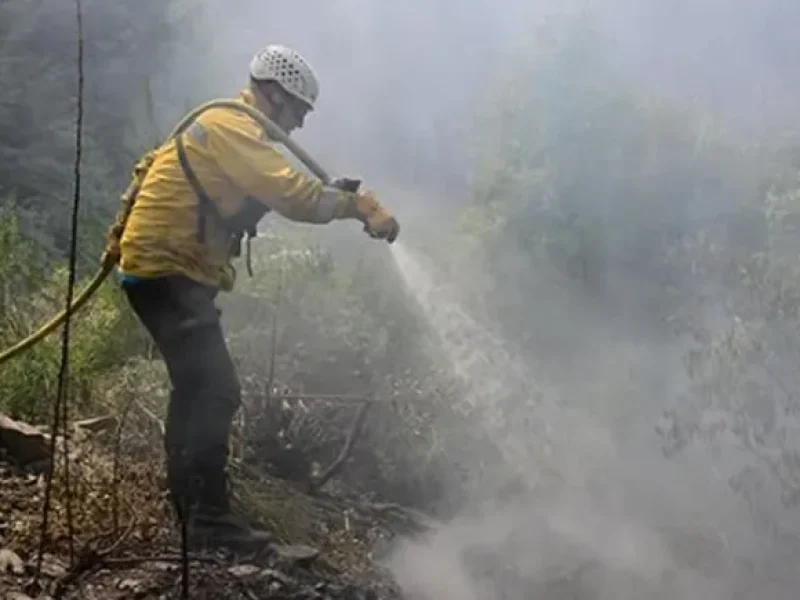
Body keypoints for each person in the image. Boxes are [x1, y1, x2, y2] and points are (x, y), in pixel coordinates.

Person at [114, 44, 400, 549]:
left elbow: (254, 194)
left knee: (195, 387)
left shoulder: (229, 129)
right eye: (298, 111)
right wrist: (358, 206)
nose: (300, 126)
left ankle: (190, 509)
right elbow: (293, 194)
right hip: (169, 265)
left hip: (161, 267)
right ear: (273, 94)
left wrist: (335, 195)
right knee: (216, 389)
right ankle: (207, 519)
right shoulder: (233, 127)